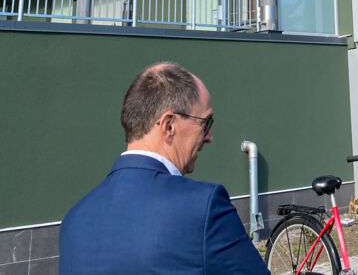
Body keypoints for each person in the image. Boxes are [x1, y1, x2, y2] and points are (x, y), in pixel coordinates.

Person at [60, 62, 269, 275]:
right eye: (205, 123)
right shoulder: (204, 207)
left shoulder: (74, 220)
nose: (209, 137)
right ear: (169, 126)